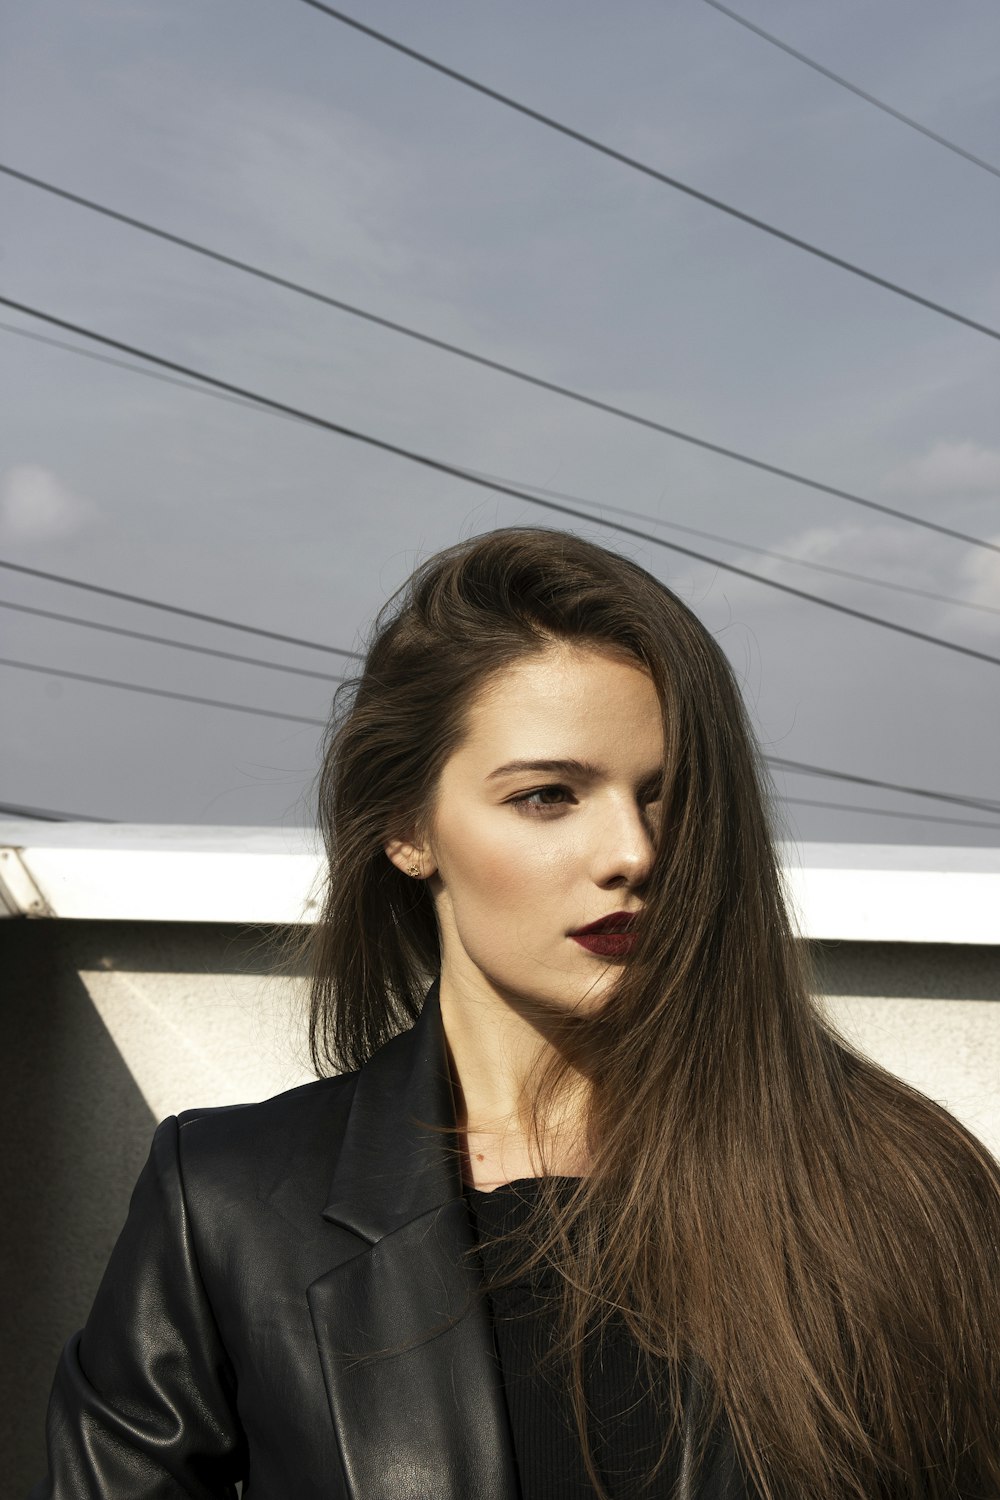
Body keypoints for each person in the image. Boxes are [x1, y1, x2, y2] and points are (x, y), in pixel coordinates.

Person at [31, 526, 1000, 1499]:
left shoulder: (899, 1184)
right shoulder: (230, 1208)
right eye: (548, 796)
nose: (631, 851)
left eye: (666, 797)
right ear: (408, 828)